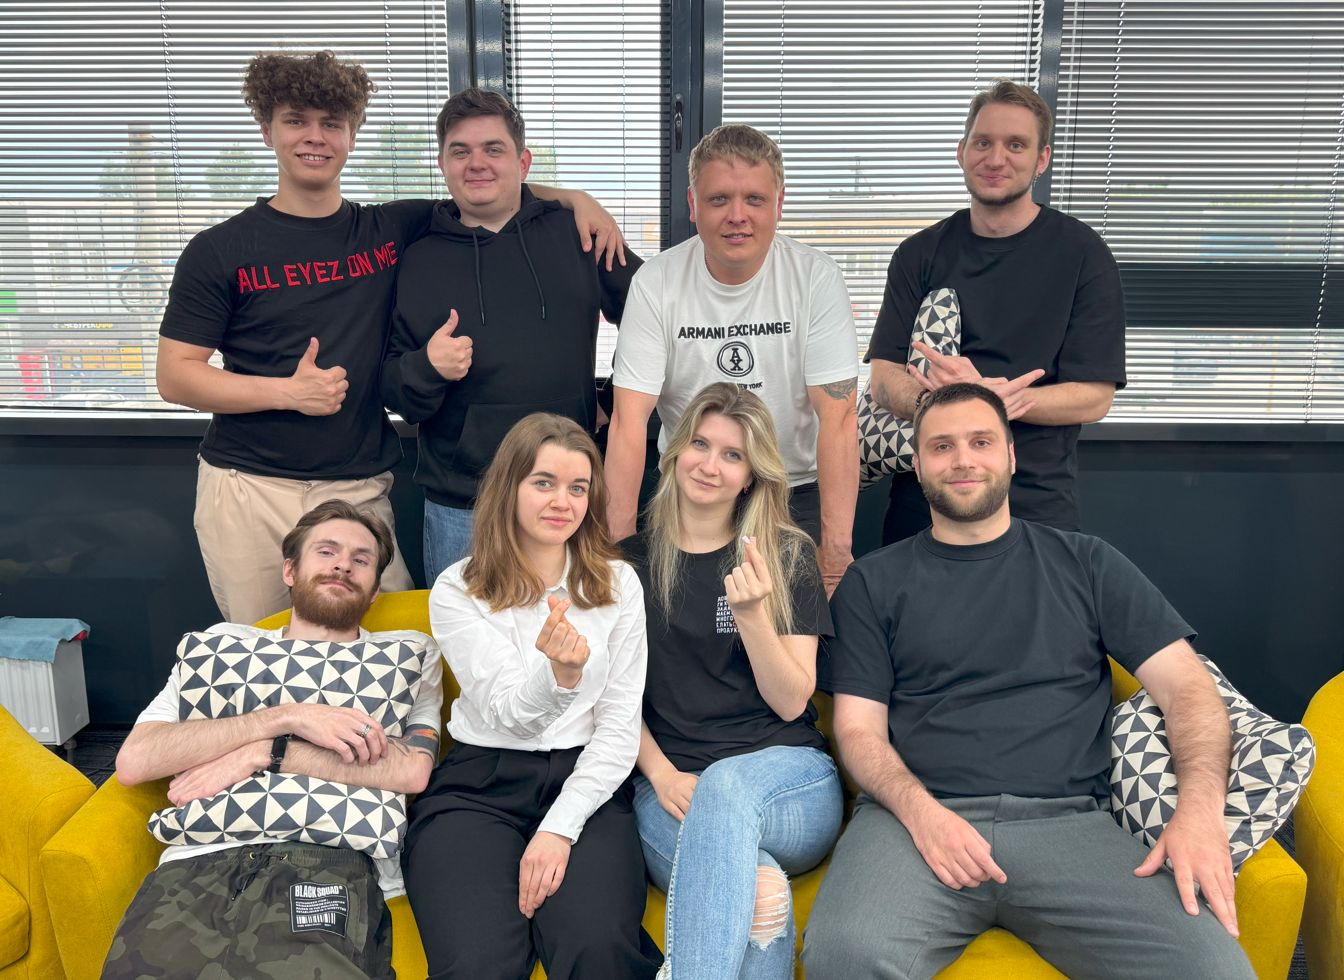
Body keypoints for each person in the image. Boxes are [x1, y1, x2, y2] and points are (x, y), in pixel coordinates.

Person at [801, 383, 1253, 980]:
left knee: (1213, 969)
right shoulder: (872, 583)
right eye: (942, 446)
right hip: (914, 824)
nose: (963, 460)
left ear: (1011, 456)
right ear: (919, 465)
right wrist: (922, 815)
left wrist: (1198, 812)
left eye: (981, 442)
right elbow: (858, 731)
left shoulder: (1087, 563)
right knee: (841, 956)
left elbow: (1188, 689)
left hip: (1069, 824)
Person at [156, 50, 626, 623]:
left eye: (332, 123)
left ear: (351, 135)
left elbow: (485, 188)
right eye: (296, 121)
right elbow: (174, 377)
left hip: (357, 484)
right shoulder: (219, 249)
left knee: (390, 647)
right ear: (267, 130)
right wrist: (287, 392)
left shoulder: (389, 230)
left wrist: (577, 199)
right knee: (267, 647)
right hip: (249, 486)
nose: (315, 137)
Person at [106, 499, 445, 979]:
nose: (342, 565)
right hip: (196, 860)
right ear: (290, 570)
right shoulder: (220, 648)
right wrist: (288, 717)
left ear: (373, 591)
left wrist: (266, 753)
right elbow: (135, 761)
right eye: (326, 551)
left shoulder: (405, 656)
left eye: (361, 559)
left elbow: (412, 769)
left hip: (327, 862)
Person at [402, 413, 662, 980]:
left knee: (598, 951)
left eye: (578, 487)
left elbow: (619, 728)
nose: (562, 502)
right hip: (479, 786)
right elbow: (507, 714)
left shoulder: (619, 584)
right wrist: (559, 677)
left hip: (587, 781)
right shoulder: (458, 588)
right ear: (509, 486)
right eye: (544, 482)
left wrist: (558, 829)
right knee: (476, 965)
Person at [622, 382, 842, 980]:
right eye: (700, 444)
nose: (710, 465)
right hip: (672, 787)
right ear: (674, 452)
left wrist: (752, 617)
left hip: (790, 781)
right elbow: (609, 699)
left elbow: (792, 701)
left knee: (726, 786)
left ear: (750, 476)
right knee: (762, 890)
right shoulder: (627, 565)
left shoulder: (786, 556)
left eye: (732, 455)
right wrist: (660, 773)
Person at [382, 88, 642, 584]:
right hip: (464, 507)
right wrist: (426, 368)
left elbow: (654, 318)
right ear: (443, 164)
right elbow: (396, 391)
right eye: (461, 151)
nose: (476, 163)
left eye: (493, 149)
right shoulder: (415, 258)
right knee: (465, 637)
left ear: (523, 162)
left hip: (566, 496)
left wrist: (612, 398)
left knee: (573, 631)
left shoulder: (580, 233)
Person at [864, 79, 1126, 545]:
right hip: (924, 503)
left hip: (1036, 505)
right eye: (983, 143)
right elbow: (883, 378)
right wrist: (939, 404)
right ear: (962, 151)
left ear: (1041, 159)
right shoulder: (918, 254)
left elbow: (1094, 397)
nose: (996, 158)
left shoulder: (1083, 254)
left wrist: (998, 401)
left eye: (1016, 145)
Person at [606, 124, 859, 594]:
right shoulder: (657, 283)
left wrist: (836, 551)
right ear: (693, 204)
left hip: (791, 488)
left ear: (779, 205)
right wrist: (618, 551)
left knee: (795, 636)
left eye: (755, 200)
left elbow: (839, 419)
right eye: (719, 199)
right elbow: (627, 422)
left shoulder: (815, 278)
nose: (737, 216)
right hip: (693, 490)